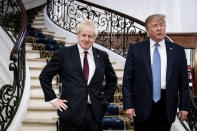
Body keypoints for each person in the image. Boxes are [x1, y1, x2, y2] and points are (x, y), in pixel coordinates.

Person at [39, 20, 117, 131]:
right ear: (78, 35)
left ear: (94, 38)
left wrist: (105, 99)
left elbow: (112, 80)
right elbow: (44, 76)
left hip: (95, 114)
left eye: (90, 36)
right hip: (70, 113)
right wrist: (53, 99)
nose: (86, 39)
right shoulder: (63, 53)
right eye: (83, 35)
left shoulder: (102, 56)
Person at [122, 14, 190, 131]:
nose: (159, 28)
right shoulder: (136, 49)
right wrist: (128, 105)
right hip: (141, 104)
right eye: (154, 26)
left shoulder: (178, 51)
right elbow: (127, 80)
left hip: (166, 104)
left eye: (161, 25)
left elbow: (183, 82)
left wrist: (184, 106)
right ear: (147, 31)